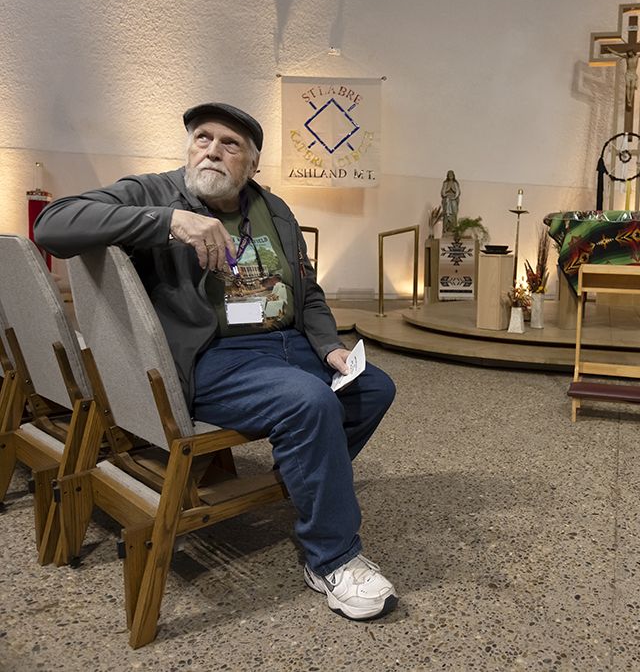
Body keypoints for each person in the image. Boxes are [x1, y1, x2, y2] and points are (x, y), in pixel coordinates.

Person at [34, 103, 398, 621]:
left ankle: (305, 471)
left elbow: (308, 292)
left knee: (374, 387)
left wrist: (330, 347)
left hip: (289, 344)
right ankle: (332, 556)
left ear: (251, 165)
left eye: (230, 144)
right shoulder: (155, 194)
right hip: (215, 358)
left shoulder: (275, 210)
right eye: (202, 137)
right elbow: (53, 224)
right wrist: (169, 222)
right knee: (310, 403)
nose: (211, 149)